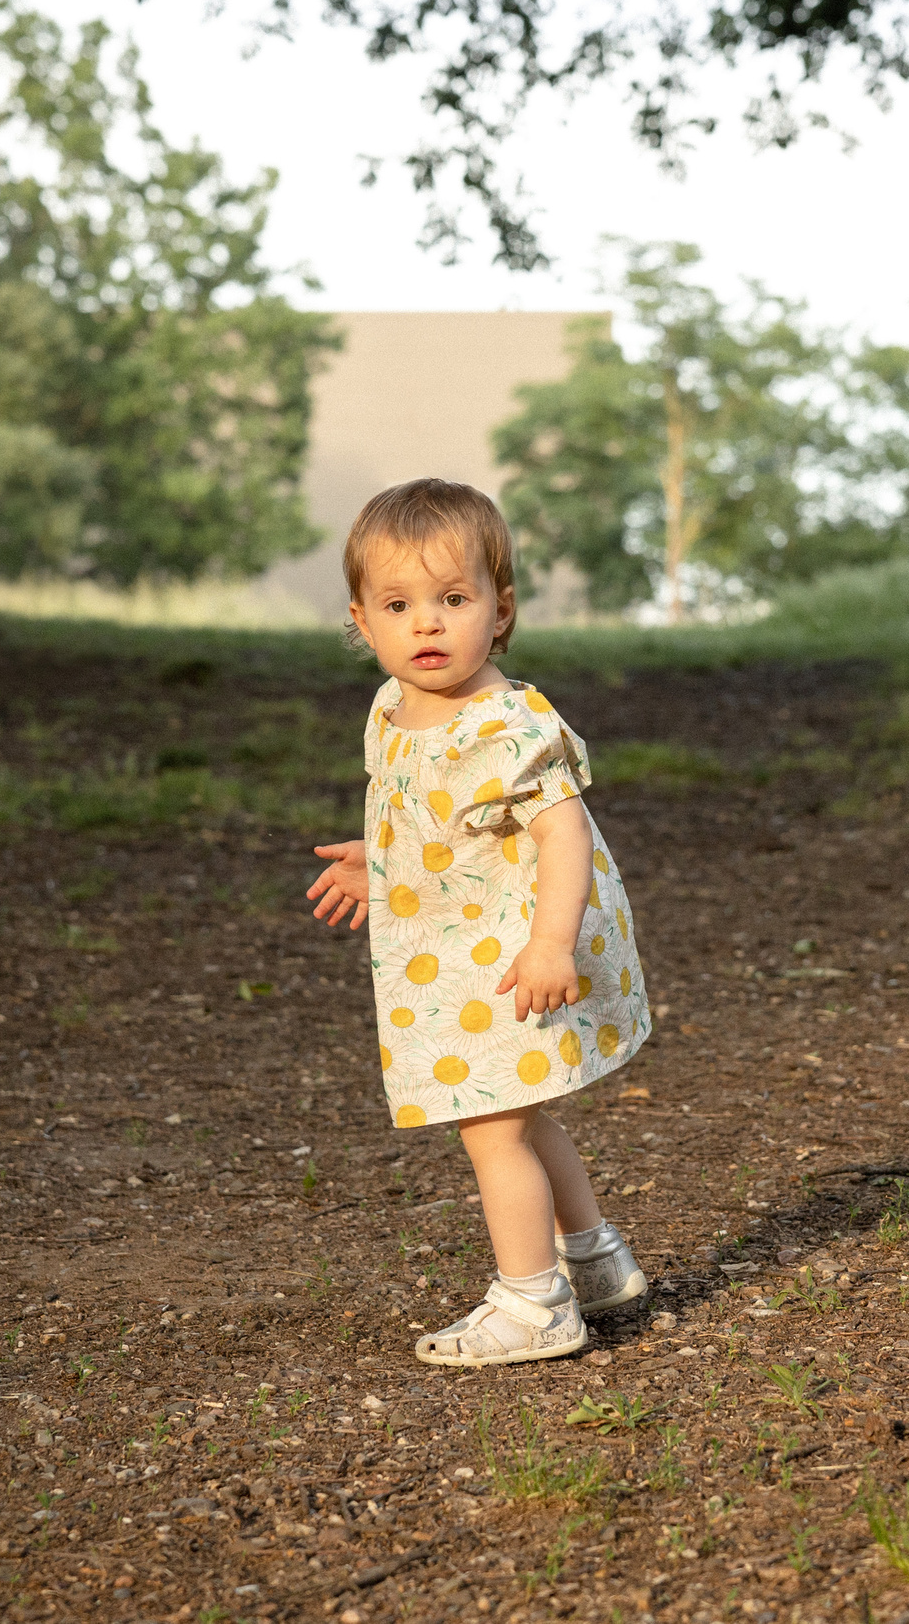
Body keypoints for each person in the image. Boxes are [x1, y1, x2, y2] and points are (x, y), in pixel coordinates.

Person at [304, 478, 652, 1366]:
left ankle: (534, 1303)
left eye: (453, 599)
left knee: (490, 1123)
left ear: (499, 612)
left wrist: (549, 942)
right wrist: (379, 862)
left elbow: (562, 834)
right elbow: (434, 820)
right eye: (400, 604)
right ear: (362, 621)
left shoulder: (506, 724)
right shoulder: (392, 709)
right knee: (523, 1111)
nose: (427, 624)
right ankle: (596, 1263)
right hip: (462, 940)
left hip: (518, 943)